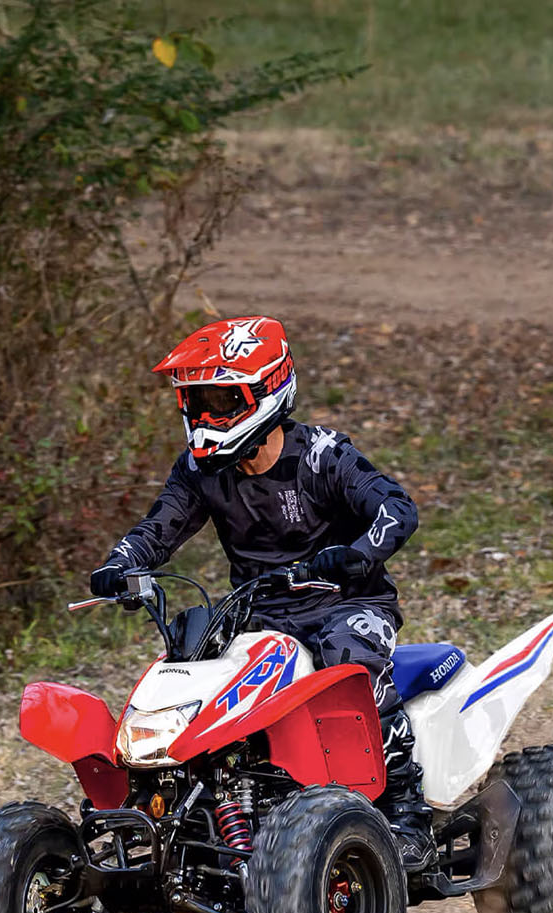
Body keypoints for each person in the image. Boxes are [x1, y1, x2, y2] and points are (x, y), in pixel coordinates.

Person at [89, 314, 436, 869]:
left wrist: (359, 555)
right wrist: (120, 565)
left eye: (220, 403)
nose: (204, 418)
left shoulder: (322, 455)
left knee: (350, 664)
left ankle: (405, 812)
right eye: (195, 403)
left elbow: (398, 507)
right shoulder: (200, 471)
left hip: (345, 604)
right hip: (259, 615)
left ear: (268, 391)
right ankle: (207, 816)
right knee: (192, 676)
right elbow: (159, 529)